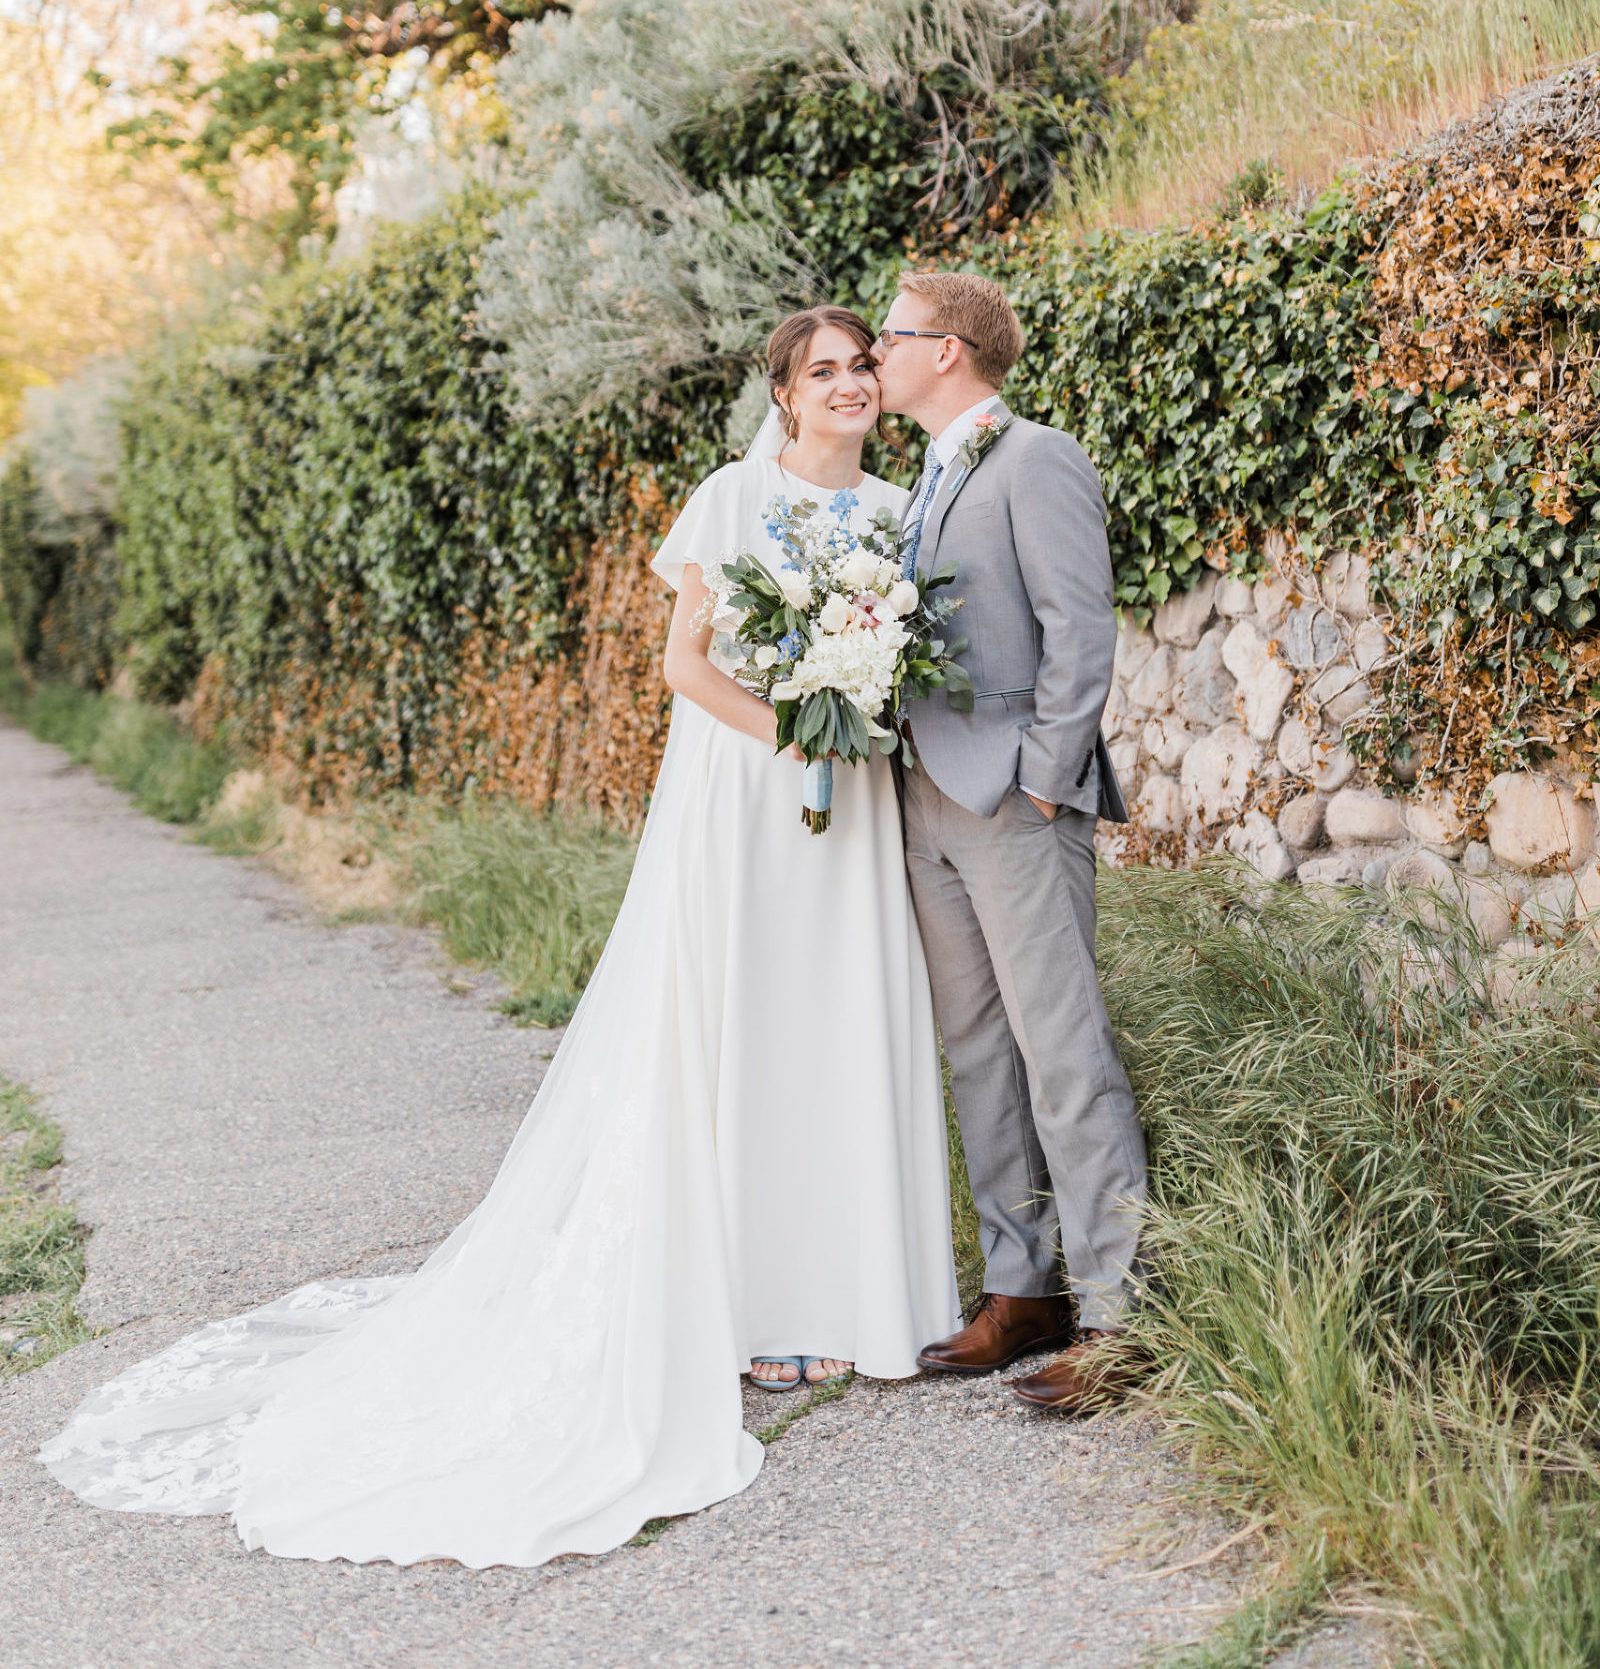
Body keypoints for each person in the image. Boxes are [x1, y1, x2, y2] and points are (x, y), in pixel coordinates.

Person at [38, 306, 958, 1568]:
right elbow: (686, 666)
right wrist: (793, 725)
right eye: (824, 372)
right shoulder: (730, 498)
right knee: (736, 1021)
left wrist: (860, 698)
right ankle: (748, 1304)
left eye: (862, 367)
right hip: (745, 790)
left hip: (849, 799)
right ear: (784, 395)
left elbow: (908, 647)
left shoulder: (899, 513)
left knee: (834, 1017)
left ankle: (854, 1294)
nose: (850, 385)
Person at [874, 270, 1149, 1414]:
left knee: (1062, 1053)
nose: (875, 351)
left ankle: (1121, 1311)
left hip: (1015, 807)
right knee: (979, 1054)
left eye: (890, 334)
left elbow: (1081, 626)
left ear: (947, 350)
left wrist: (1043, 784)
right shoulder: (919, 481)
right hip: (923, 799)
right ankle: (1020, 1286)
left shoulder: (1033, 456)